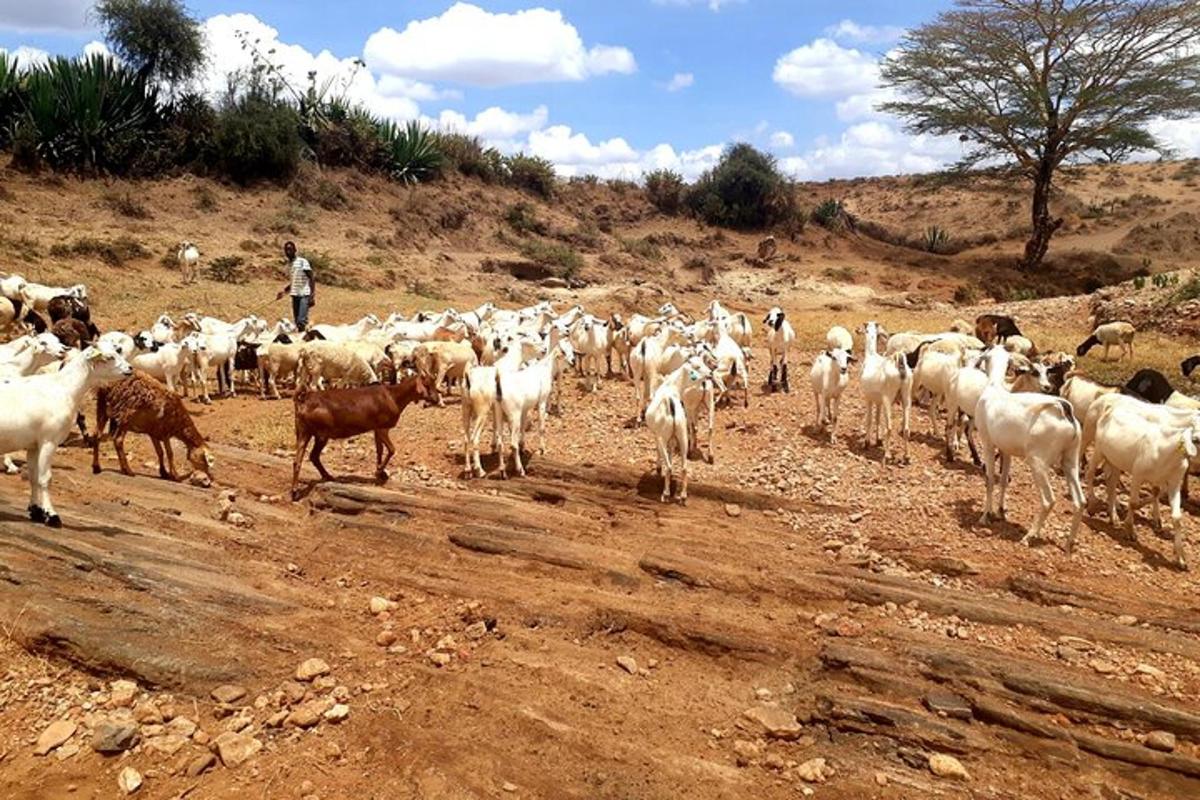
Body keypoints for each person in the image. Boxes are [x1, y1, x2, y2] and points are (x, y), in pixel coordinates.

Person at [276, 241, 315, 331]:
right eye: (286, 250)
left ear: (295, 250)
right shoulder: (290, 264)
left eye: (290, 249)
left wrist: (312, 296)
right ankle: (301, 340)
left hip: (304, 295)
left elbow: (311, 278)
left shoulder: (302, 262)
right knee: (297, 322)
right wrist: (283, 292)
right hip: (295, 295)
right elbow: (293, 282)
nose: (288, 252)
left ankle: (308, 337)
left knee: (301, 320)